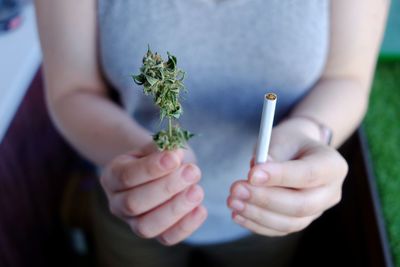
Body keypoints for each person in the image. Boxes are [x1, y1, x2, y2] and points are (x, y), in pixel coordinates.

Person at [35, 0, 389, 266]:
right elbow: (73, 90)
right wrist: (141, 156)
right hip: (133, 206)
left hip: (266, 216)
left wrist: (310, 130)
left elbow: (347, 78)